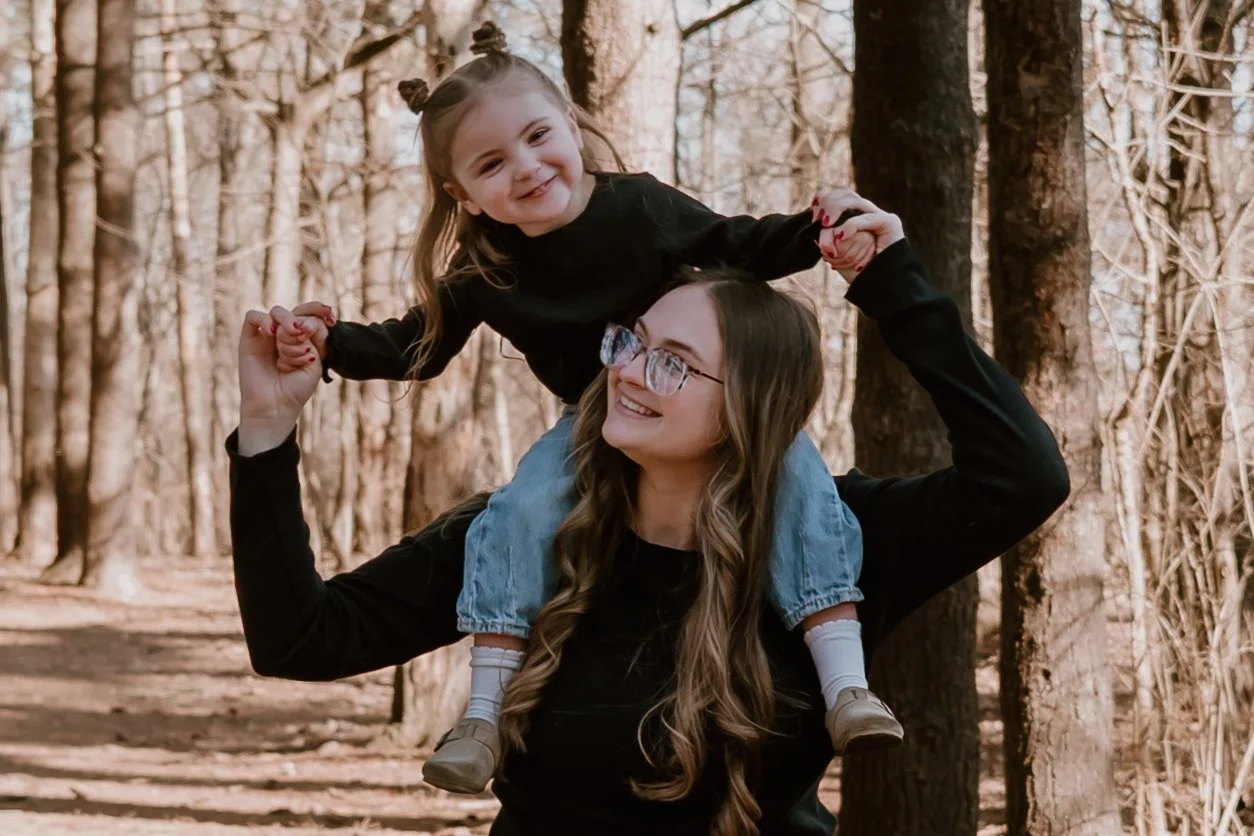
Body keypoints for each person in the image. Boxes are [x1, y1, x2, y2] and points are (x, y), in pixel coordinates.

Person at [229, 196, 1069, 836]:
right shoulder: (519, 538)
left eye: (674, 364)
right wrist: (268, 433)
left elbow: (1023, 478)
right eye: (629, 341)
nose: (627, 373)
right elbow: (300, 640)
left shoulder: (835, 545)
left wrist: (896, 286)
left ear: (748, 407)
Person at [268, 21, 895, 793]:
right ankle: (483, 717)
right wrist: (325, 344)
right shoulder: (484, 269)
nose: (526, 168)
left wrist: (823, 230)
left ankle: (846, 686)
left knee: (804, 491)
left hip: (699, 404)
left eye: (537, 137)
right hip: (593, 419)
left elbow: (741, 244)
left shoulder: (641, 208)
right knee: (517, 514)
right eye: (492, 164)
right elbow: (415, 347)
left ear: (569, 123)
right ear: (462, 194)